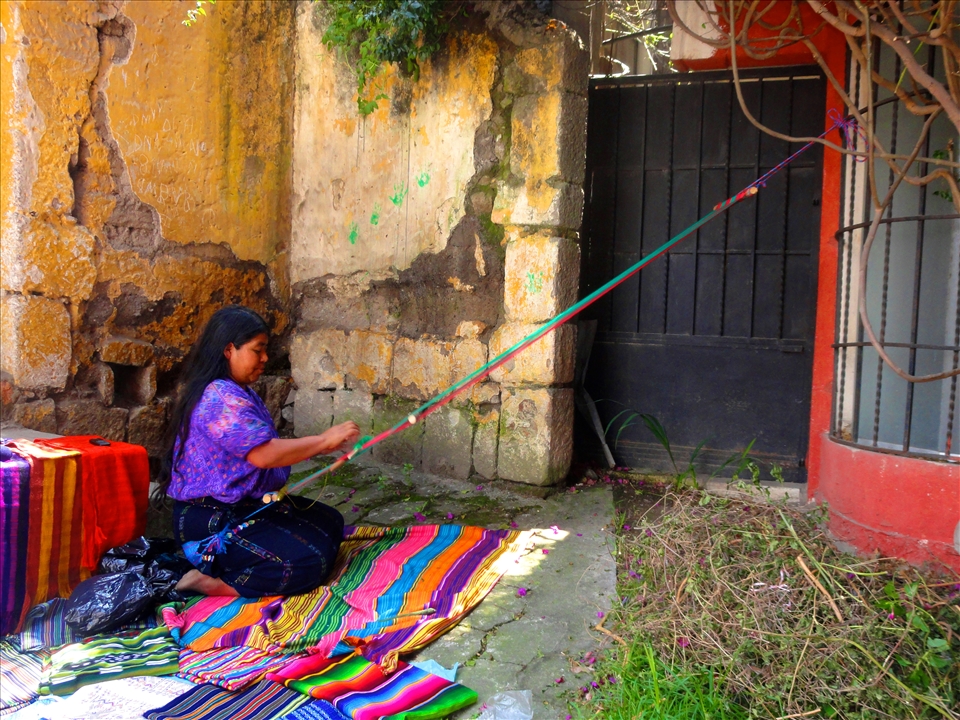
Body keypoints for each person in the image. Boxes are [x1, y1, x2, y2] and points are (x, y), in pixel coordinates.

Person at [158, 305, 360, 598]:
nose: (265, 358)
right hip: (211, 521)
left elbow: (263, 452)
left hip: (246, 506)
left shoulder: (236, 391)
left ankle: (238, 563)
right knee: (306, 562)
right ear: (229, 350)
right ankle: (212, 583)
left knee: (329, 522)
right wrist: (323, 441)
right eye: (258, 350)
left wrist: (323, 445)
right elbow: (263, 454)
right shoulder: (219, 398)